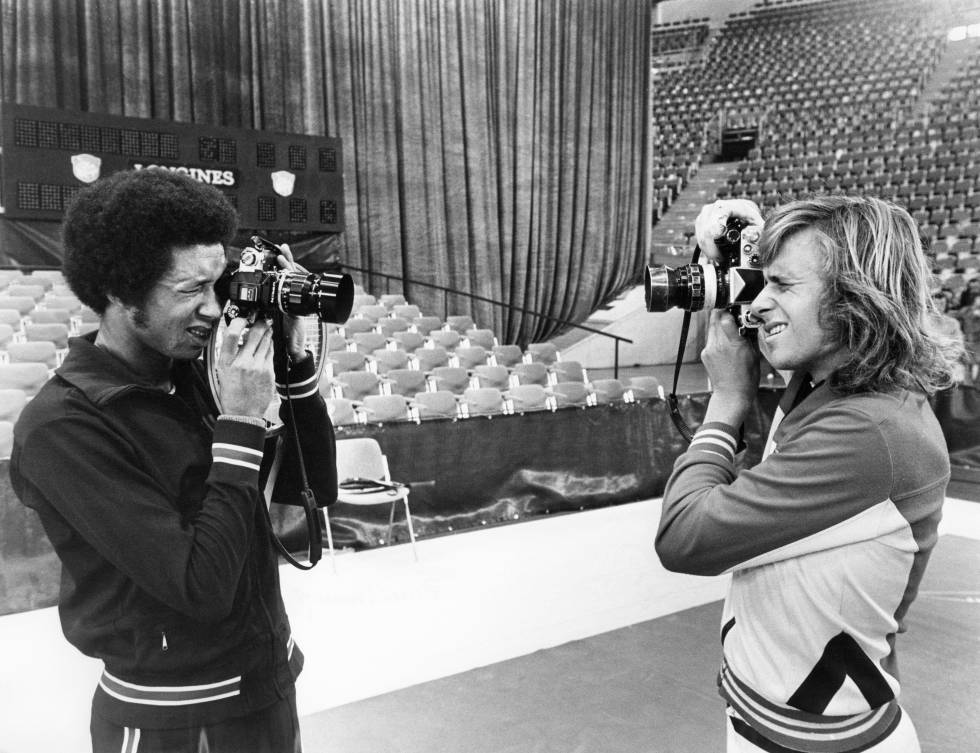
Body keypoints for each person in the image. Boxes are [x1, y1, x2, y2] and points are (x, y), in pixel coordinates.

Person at [10, 168, 337, 753]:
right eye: (190, 291)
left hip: (266, 686)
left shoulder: (198, 375)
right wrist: (239, 423)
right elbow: (200, 586)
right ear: (119, 292)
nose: (215, 310)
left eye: (219, 285)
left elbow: (311, 488)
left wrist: (294, 369)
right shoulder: (63, 427)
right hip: (174, 719)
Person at [655, 196, 960, 753]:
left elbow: (684, 538)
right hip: (771, 718)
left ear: (855, 301)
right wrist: (729, 240)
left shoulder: (871, 431)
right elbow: (792, 283)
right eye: (760, 282)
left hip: (819, 741)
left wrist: (727, 399)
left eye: (782, 286)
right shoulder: (829, 383)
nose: (758, 303)